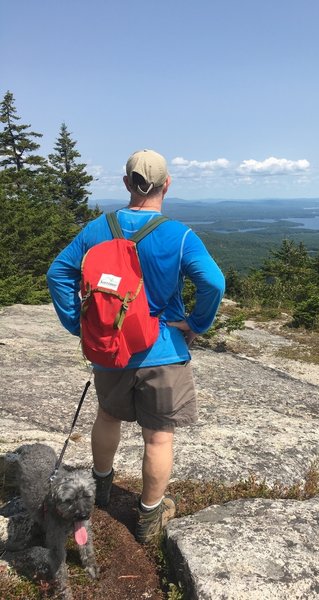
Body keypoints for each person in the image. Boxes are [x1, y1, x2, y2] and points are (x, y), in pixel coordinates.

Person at [47, 149, 225, 543]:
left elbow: (57, 272)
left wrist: (80, 325)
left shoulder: (97, 228)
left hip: (110, 349)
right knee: (158, 437)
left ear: (127, 183)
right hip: (162, 352)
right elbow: (214, 283)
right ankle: (148, 519)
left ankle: (102, 488)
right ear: (167, 184)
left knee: (108, 417)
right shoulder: (178, 235)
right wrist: (196, 324)